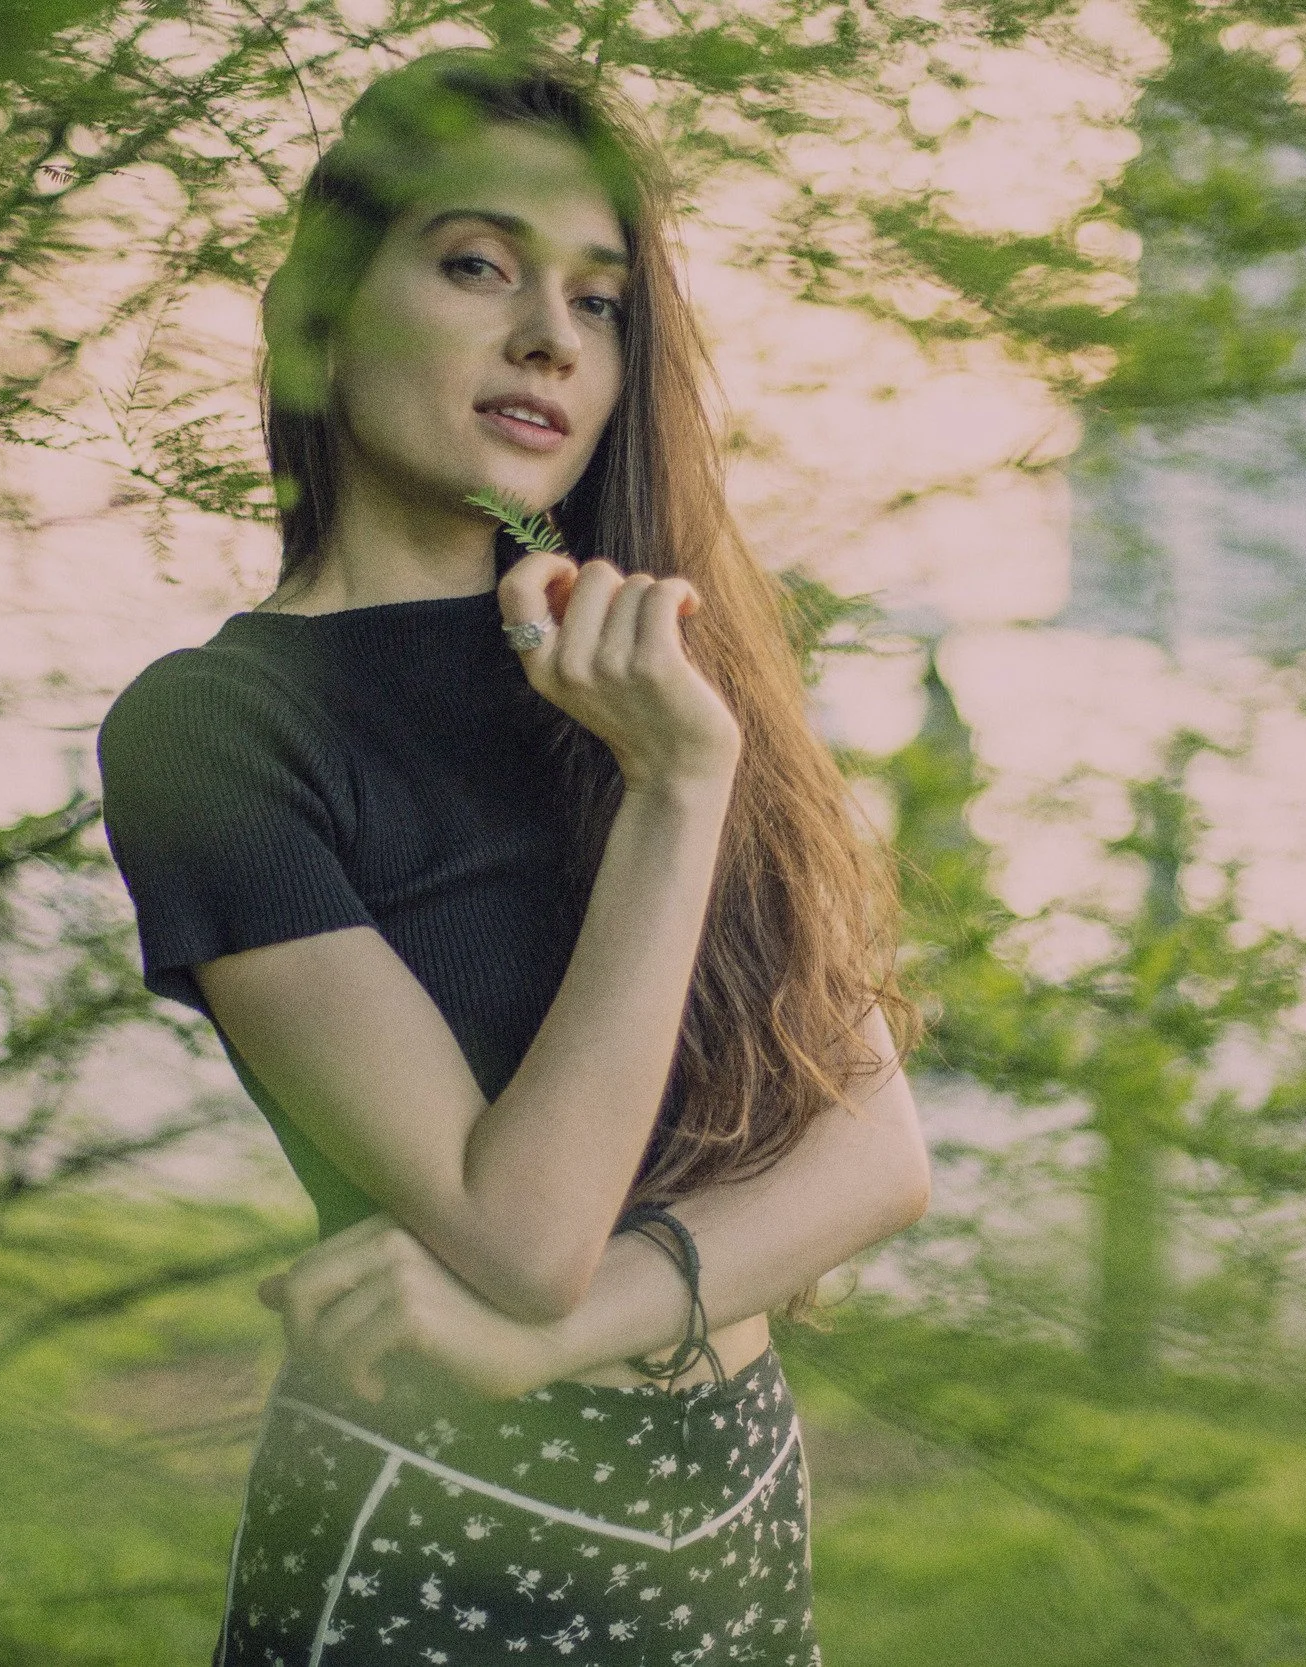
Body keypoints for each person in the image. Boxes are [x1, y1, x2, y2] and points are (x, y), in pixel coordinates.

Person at [95, 45, 931, 1665]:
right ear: (322, 308)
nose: (551, 334)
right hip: (442, 1524)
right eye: (478, 264)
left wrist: (541, 1343)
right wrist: (674, 795)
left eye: (600, 300)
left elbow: (874, 1154)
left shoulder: (644, 652)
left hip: (736, 1502)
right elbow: (522, 1234)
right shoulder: (215, 732)